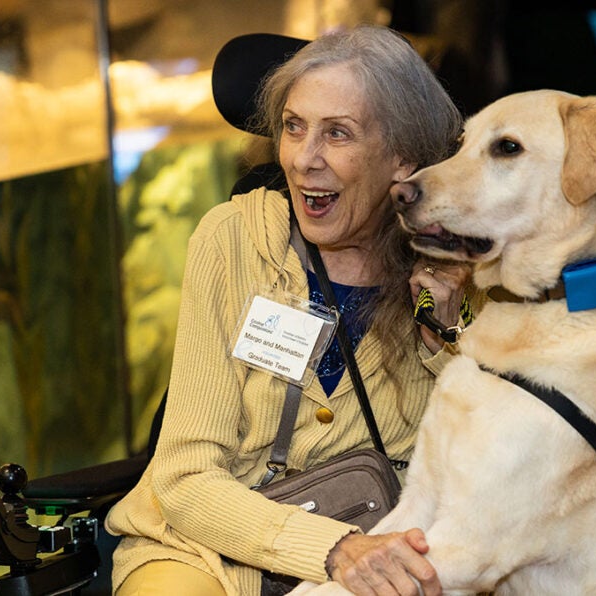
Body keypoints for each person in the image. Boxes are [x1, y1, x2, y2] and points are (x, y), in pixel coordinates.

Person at [106, 24, 469, 595]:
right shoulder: (232, 241)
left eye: (338, 134)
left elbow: (478, 472)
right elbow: (184, 478)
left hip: (374, 546)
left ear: (402, 157)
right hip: (199, 545)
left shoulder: (456, 277)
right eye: (294, 127)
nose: (304, 159)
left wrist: (445, 342)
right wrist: (329, 547)